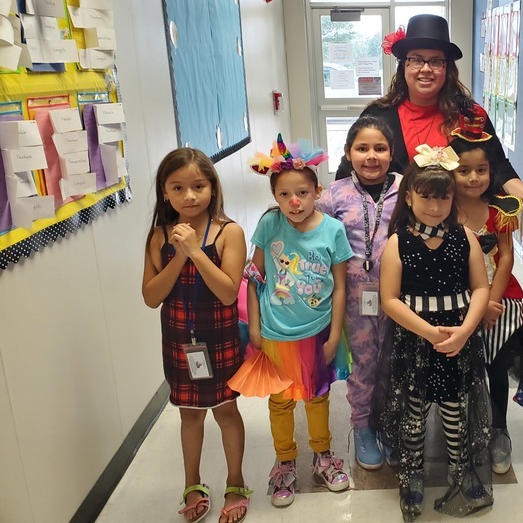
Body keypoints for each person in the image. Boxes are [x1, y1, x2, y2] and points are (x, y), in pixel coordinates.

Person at [227, 135, 353, 508]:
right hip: (275, 333)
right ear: (275, 196)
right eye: (284, 194)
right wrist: (254, 328)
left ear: (317, 192)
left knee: (317, 397)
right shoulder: (270, 224)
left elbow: (340, 288)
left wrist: (334, 336)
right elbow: (254, 277)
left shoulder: (332, 230)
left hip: (316, 332)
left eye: (302, 193)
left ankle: (323, 456)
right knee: (280, 402)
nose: (294, 202)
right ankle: (284, 462)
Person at [372, 144, 493, 522]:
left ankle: (461, 470)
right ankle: (413, 474)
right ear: (408, 197)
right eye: (426, 197)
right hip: (415, 340)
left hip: (460, 339)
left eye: (443, 197)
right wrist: (430, 333)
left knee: (457, 408)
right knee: (415, 411)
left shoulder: (465, 236)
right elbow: (389, 299)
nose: (435, 206)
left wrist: (464, 332)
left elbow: (481, 288)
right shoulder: (398, 242)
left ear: (453, 199)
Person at [141, 148, 250, 523]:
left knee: (226, 411)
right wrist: (179, 256)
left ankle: (235, 482)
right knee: (189, 416)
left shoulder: (228, 232)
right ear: (165, 191)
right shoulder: (158, 236)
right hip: (179, 343)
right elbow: (151, 297)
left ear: (212, 187)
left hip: (219, 339)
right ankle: (192, 484)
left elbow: (227, 292)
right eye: (178, 188)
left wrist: (195, 251)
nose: (189, 196)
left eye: (198, 186)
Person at [334, 13, 523, 210]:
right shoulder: (378, 116)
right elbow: (348, 171)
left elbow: (497, 163)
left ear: (447, 68)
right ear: (404, 66)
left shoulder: (470, 115)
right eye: (416, 59)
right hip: (395, 224)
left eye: (435, 61)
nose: (425, 69)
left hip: (460, 222)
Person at [448, 107, 523, 476]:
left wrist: (491, 302)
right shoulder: (442, 210)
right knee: (461, 368)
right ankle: (464, 428)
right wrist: (472, 307)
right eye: (464, 170)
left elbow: (507, 257)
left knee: (496, 368)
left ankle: (498, 429)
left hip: (500, 300)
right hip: (456, 301)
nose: (473, 178)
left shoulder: (501, 209)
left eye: (481, 170)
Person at [317, 115, 401, 470]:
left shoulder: (407, 189)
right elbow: (313, 240)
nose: (371, 156)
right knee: (363, 364)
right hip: (353, 301)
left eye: (380, 148)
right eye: (362, 148)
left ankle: (391, 426)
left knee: (395, 364)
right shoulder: (333, 195)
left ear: (391, 152)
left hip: (401, 298)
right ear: (348, 152)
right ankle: (363, 428)